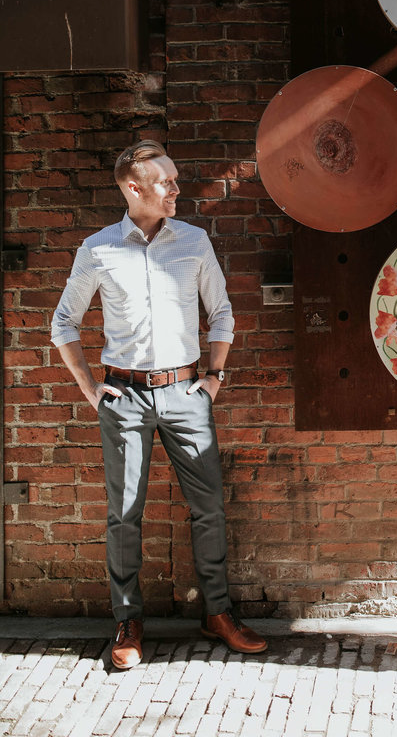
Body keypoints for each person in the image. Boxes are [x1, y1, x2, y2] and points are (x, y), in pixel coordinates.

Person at [51, 139, 267, 669]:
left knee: (209, 507)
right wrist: (88, 388)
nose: (176, 188)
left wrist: (213, 378)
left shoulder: (193, 242)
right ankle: (127, 621)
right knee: (124, 514)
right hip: (123, 396)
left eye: (173, 179)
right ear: (134, 188)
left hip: (187, 393)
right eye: (166, 181)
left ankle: (217, 612)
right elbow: (63, 323)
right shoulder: (98, 248)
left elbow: (222, 313)